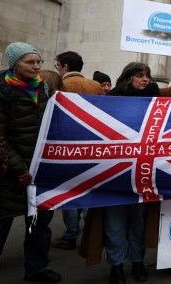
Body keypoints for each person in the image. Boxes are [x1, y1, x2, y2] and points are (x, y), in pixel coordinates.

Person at [102, 49, 171, 284]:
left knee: (137, 221)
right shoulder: (111, 100)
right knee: (114, 222)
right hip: (116, 172)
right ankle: (116, 266)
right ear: (129, 78)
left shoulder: (155, 95)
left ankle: (137, 262)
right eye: (140, 75)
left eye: (147, 75)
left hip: (142, 173)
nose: (146, 79)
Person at [0, 42, 62, 282]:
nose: (36, 66)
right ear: (14, 64)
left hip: (41, 168)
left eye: (38, 62)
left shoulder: (42, 87)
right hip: (10, 172)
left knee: (38, 222)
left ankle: (37, 268)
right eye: (30, 62)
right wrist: (20, 168)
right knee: (1, 222)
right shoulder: (0, 89)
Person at [52, 51, 103, 251]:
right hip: (92, 145)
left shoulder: (61, 85)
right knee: (86, 187)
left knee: (68, 190)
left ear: (64, 66)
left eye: (58, 65)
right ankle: (86, 228)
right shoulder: (95, 85)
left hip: (68, 145)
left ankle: (71, 233)